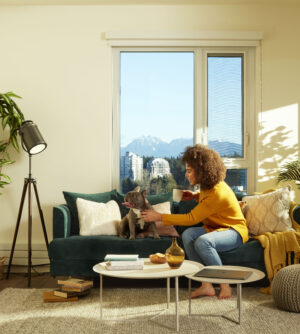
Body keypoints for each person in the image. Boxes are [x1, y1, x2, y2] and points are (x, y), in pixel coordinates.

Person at [141, 144, 248, 299]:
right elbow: (208, 201)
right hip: (216, 228)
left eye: (189, 171)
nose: (186, 174)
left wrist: (158, 217)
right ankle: (206, 285)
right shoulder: (208, 186)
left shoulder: (217, 192)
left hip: (234, 231)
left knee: (203, 242)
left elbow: (191, 218)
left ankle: (225, 284)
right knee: (188, 235)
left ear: (202, 172)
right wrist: (194, 196)